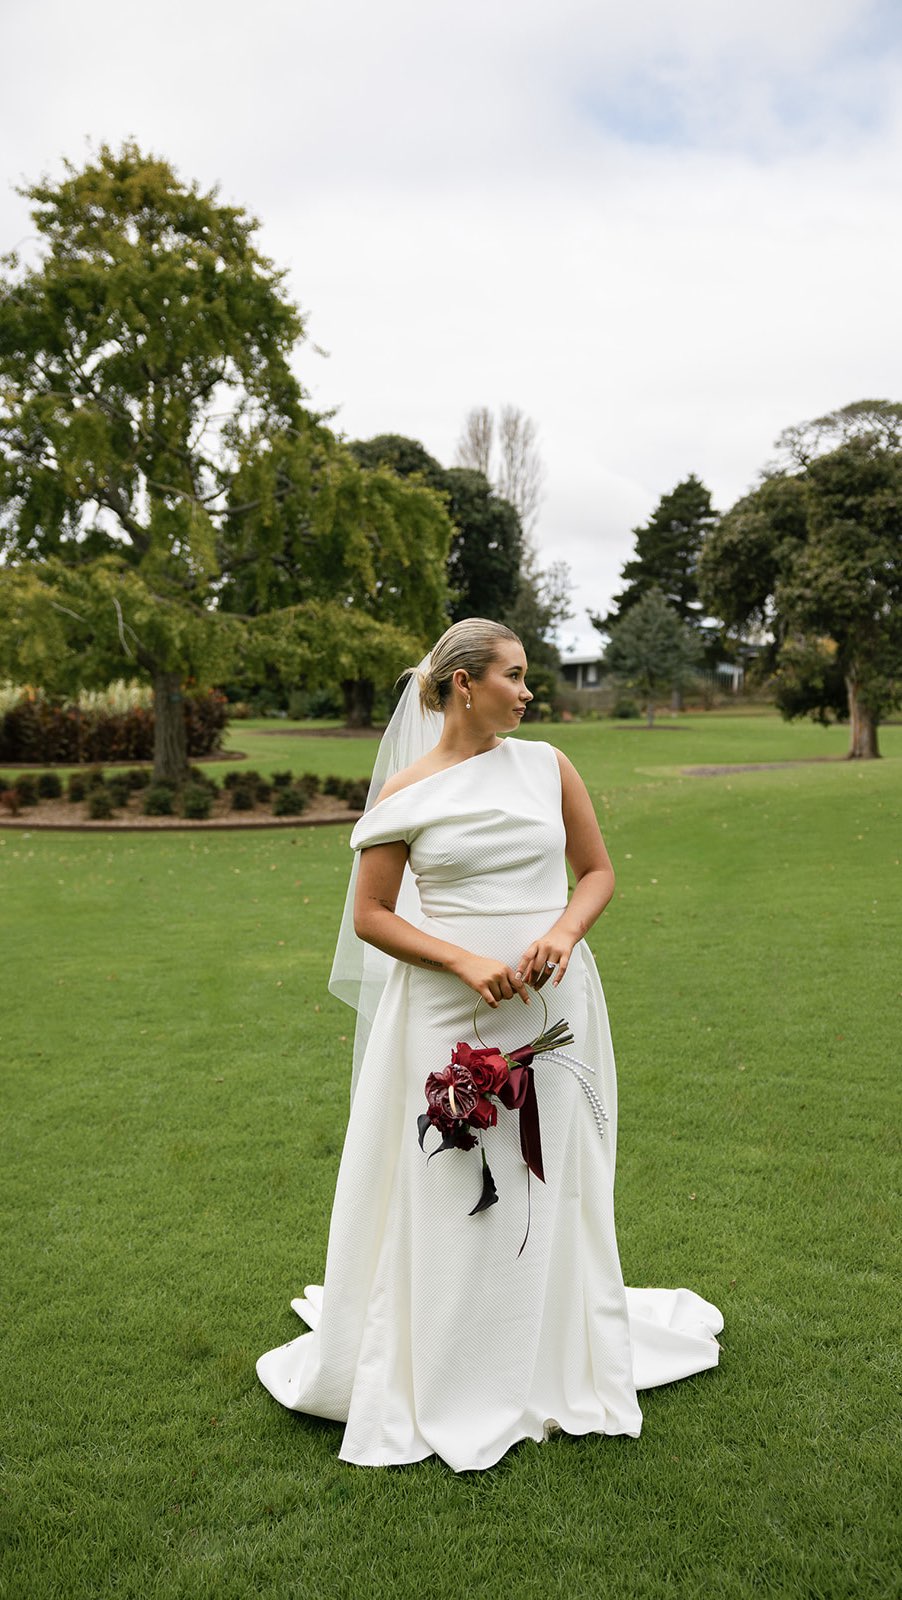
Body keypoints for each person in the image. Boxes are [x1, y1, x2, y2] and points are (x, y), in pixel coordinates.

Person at [256, 618, 722, 1471]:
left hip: (554, 1005)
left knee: (552, 1178)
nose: (528, 690)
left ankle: (549, 1352)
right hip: (446, 1014)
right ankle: (447, 1366)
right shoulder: (406, 792)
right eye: (515, 674)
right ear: (465, 683)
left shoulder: (549, 766)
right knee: (452, 1182)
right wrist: (465, 959)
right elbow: (370, 917)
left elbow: (598, 872)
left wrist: (566, 933)